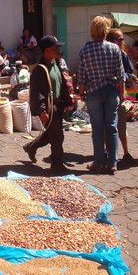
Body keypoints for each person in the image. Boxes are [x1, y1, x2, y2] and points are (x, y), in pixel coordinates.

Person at [77, 16, 125, 174]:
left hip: (94, 93)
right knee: (112, 127)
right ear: (106, 31)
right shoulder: (114, 49)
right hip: (111, 91)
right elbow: (120, 75)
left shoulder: (85, 50)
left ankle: (98, 162)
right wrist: (122, 94)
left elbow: (81, 76)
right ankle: (112, 162)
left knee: (97, 129)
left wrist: (82, 94)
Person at [22, 35, 72, 173]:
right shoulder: (40, 69)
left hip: (58, 105)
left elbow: (61, 84)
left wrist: (67, 101)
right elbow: (37, 93)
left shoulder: (55, 65)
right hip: (48, 108)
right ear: (46, 51)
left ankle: (31, 147)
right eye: (55, 48)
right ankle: (56, 164)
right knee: (58, 137)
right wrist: (41, 111)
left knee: (52, 134)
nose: (58, 51)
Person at [106, 28, 137, 165]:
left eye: (122, 39)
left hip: (119, 95)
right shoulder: (105, 54)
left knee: (121, 125)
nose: (121, 41)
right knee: (106, 126)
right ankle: (108, 151)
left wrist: (122, 78)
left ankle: (126, 152)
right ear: (110, 40)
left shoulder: (123, 55)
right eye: (118, 38)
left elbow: (129, 72)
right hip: (107, 93)